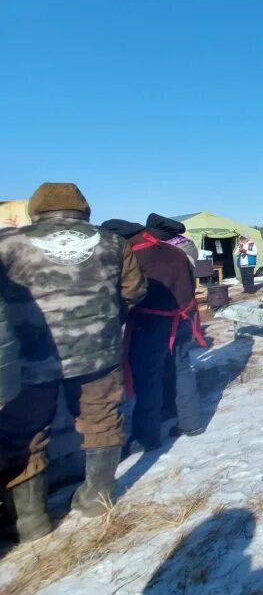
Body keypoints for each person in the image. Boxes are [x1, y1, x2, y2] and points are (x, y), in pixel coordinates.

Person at [0, 183, 147, 542]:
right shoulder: (113, 243)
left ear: (37, 209)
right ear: (84, 209)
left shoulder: (8, 243)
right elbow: (135, 291)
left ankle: (30, 521)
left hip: (30, 358)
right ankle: (96, 500)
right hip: (100, 352)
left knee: (24, 435)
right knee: (102, 421)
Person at [101, 220, 206, 452]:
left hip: (152, 322)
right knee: (181, 367)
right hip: (184, 317)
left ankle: (146, 437)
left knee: (148, 377)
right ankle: (191, 423)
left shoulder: (133, 257)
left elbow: (129, 293)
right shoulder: (173, 251)